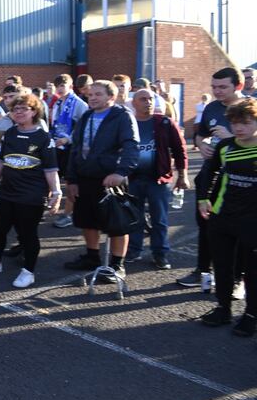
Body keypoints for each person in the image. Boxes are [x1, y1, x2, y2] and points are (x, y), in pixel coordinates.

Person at [0, 93, 62, 287]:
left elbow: (51, 169)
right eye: (15, 109)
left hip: (31, 196)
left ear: (34, 111)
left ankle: (28, 271)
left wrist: (56, 192)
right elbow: (0, 161)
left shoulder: (43, 137)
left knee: (27, 234)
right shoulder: (10, 133)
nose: (18, 112)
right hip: (7, 192)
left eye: (23, 109)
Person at [179, 67, 248, 293]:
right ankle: (202, 271)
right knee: (207, 226)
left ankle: (238, 279)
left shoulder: (250, 109)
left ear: (238, 86)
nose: (217, 91)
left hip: (240, 180)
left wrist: (230, 139)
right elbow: (201, 134)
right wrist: (201, 145)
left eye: (223, 87)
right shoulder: (211, 108)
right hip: (210, 175)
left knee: (237, 231)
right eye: (214, 87)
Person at [64, 80, 140, 282]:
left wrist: (121, 172)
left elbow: (132, 146)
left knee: (117, 223)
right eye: (90, 95)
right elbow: (75, 149)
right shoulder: (86, 116)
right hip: (84, 177)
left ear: (111, 97)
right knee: (86, 220)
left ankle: (117, 265)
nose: (93, 98)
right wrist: (71, 179)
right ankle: (92, 257)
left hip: (111, 179)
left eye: (98, 94)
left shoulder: (122, 116)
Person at [196, 98, 257, 336]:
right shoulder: (226, 146)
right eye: (234, 122)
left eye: (245, 122)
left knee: (253, 270)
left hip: (253, 221)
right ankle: (223, 308)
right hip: (222, 216)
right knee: (222, 266)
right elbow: (209, 172)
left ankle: (251, 315)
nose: (239, 127)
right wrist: (203, 198)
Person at [126, 89, 189, 269]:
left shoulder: (165, 122)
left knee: (159, 219)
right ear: (134, 103)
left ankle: (160, 253)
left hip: (158, 179)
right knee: (133, 217)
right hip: (133, 179)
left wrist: (183, 175)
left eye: (151, 99)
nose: (148, 102)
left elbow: (179, 149)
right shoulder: (128, 123)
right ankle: (133, 250)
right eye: (143, 99)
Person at [49, 73, 89, 228]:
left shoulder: (79, 104)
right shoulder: (58, 103)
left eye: (62, 85)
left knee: (71, 181)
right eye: (57, 86)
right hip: (57, 144)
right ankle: (54, 205)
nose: (59, 89)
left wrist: (68, 139)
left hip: (71, 147)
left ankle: (68, 214)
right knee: (53, 176)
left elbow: (82, 126)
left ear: (70, 86)